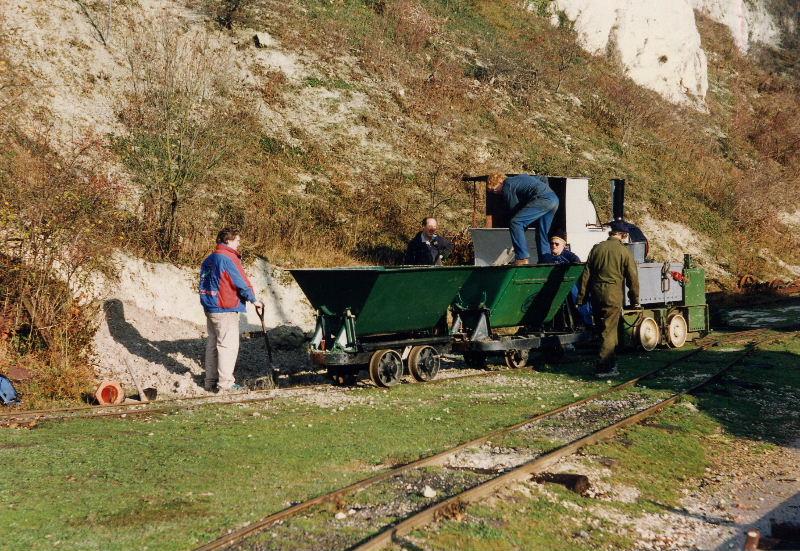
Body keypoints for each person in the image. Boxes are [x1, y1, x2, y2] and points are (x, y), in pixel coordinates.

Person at [199, 227, 263, 392]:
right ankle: (226, 384)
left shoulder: (209, 259)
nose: (239, 243)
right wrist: (254, 300)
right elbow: (240, 281)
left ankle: (210, 382)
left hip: (210, 306)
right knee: (228, 346)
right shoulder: (228, 258)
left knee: (213, 344)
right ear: (228, 241)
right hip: (225, 307)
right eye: (237, 240)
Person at [577, 220, 640, 377]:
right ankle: (604, 367)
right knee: (609, 331)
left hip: (596, 294)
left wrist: (582, 298)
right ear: (623, 235)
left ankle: (610, 363)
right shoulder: (624, 252)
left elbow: (586, 275)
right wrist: (635, 300)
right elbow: (633, 278)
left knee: (601, 329)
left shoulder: (597, 249)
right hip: (613, 294)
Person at [486, 172, 559, 265]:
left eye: (495, 190)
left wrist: (517, 234)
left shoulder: (507, 185)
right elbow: (542, 178)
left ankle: (522, 258)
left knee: (515, 222)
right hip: (553, 199)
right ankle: (546, 260)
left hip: (542, 199)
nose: (496, 193)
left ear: (500, 182)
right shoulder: (521, 177)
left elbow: (514, 209)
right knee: (542, 232)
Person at [540, 230, 593, 327]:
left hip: (569, 284)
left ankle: (585, 321)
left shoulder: (569, 256)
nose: (554, 246)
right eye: (552, 243)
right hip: (553, 285)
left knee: (576, 293)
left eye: (557, 244)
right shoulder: (546, 257)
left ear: (564, 245)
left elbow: (578, 267)